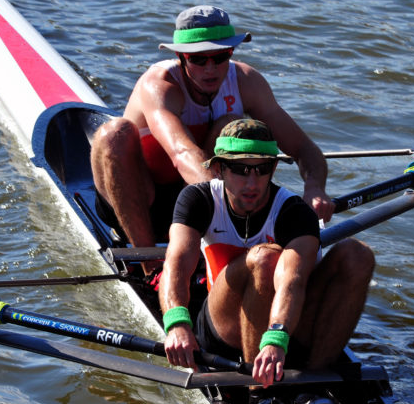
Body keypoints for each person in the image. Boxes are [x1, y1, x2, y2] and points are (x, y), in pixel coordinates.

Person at [90, 6, 333, 264]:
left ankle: (222, 238)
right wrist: (230, 202)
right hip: (139, 200)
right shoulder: (160, 85)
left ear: (231, 53)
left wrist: (315, 188)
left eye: (219, 57)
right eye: (198, 59)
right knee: (114, 134)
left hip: (193, 200)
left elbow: (305, 149)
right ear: (181, 57)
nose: (210, 68)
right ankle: (149, 265)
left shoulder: (247, 82)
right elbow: (181, 153)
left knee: (232, 124)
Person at [157, 119, 375, 388]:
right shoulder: (197, 200)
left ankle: (316, 381)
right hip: (223, 326)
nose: (252, 182)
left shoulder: (295, 213)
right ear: (219, 168)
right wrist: (176, 323)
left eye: (261, 170)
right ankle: (257, 389)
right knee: (265, 258)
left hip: (285, 328)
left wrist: (276, 339)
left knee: (357, 254)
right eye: (240, 169)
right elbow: (176, 263)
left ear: (273, 168)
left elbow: (292, 282)